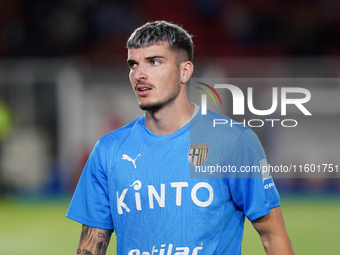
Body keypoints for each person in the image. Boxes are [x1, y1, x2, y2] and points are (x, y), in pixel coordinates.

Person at [66, 21, 295, 255]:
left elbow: (272, 235)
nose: (139, 74)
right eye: (133, 64)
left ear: (185, 71)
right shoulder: (108, 150)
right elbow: (90, 247)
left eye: (154, 62)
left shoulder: (234, 142)